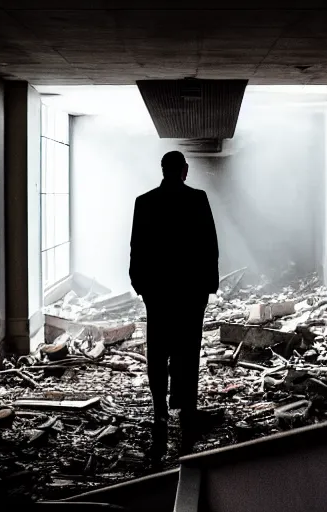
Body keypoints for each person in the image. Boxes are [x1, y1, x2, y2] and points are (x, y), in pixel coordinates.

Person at [129, 150, 219, 459]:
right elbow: (209, 245)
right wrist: (208, 287)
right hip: (190, 294)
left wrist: (141, 286)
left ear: (163, 170)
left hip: (159, 294)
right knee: (188, 351)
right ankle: (186, 412)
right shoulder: (197, 199)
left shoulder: (145, 202)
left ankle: (160, 412)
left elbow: (136, 248)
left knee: (158, 351)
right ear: (184, 170)